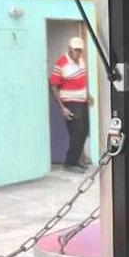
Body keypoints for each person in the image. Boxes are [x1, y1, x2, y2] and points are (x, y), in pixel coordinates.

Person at [50, 36, 92, 174]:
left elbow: (81, 80)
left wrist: (87, 95)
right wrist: (63, 108)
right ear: (69, 49)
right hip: (70, 102)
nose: (78, 53)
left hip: (82, 101)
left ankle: (77, 160)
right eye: (75, 50)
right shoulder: (61, 63)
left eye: (80, 50)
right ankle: (70, 162)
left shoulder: (81, 61)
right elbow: (54, 86)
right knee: (77, 131)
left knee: (84, 130)